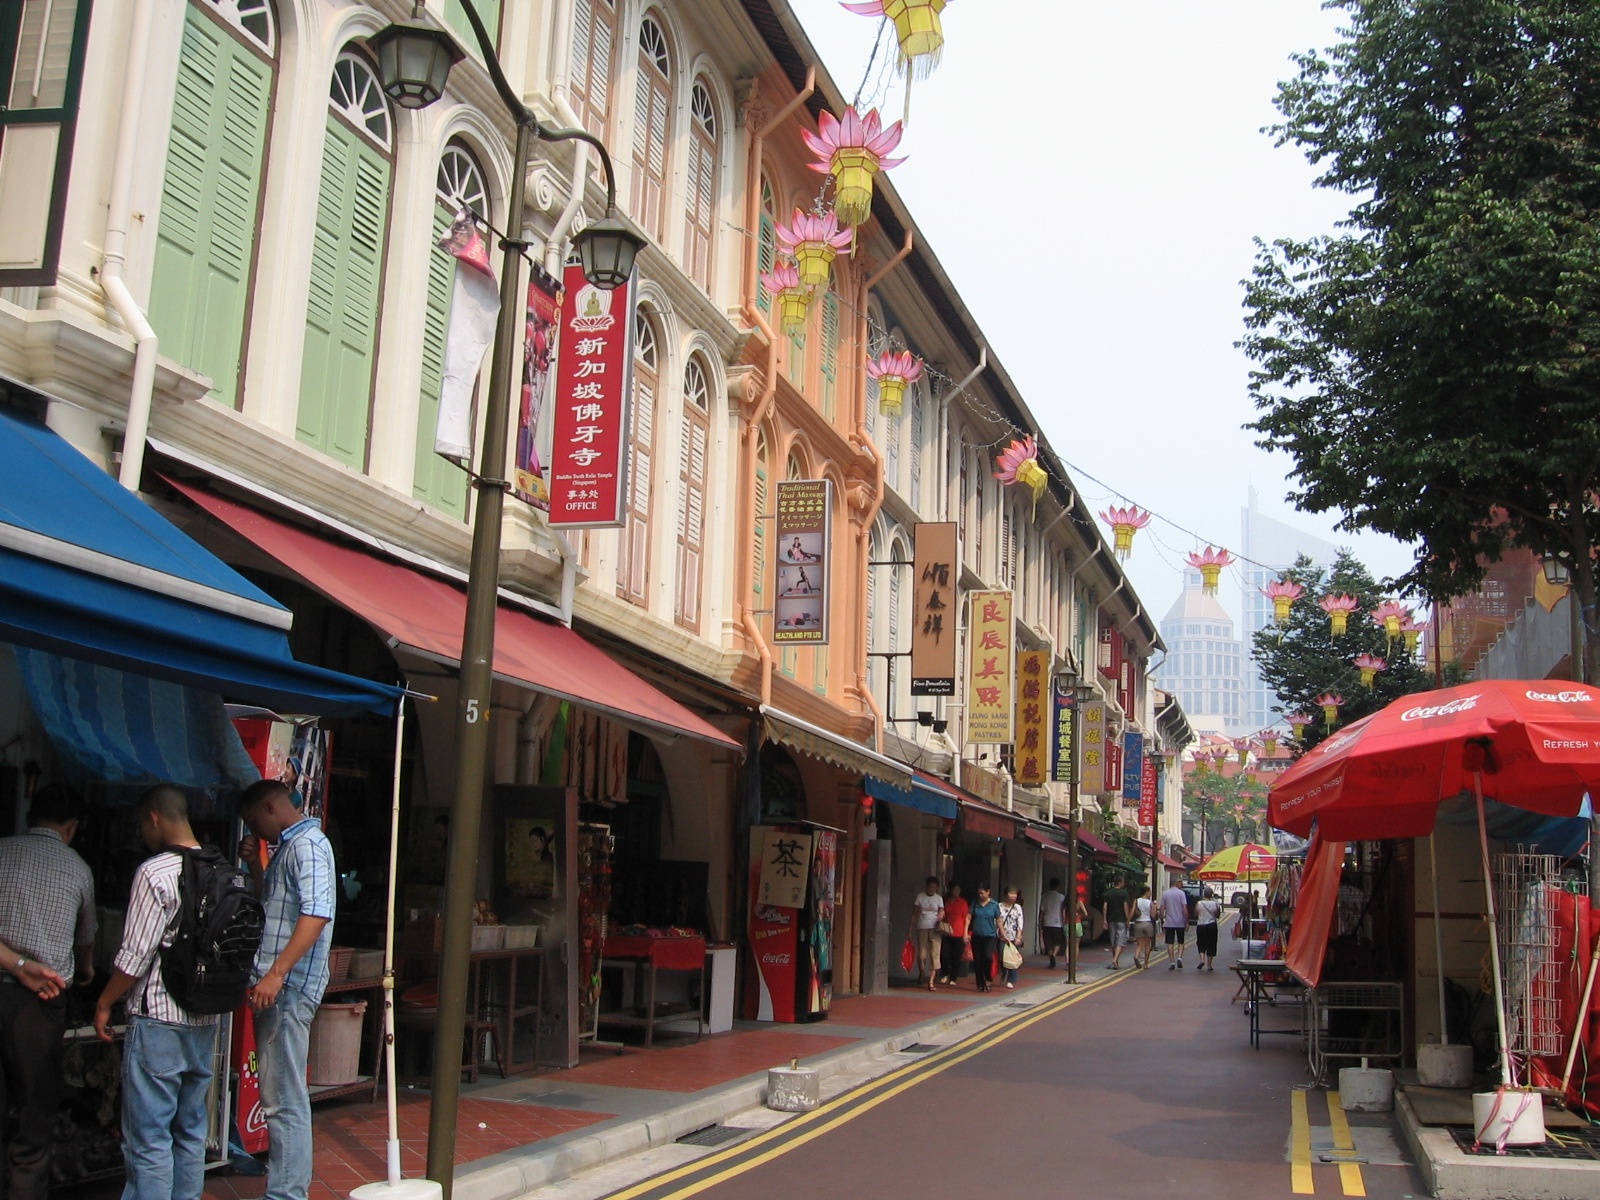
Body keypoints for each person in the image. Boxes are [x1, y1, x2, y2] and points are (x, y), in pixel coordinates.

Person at [93, 785, 217, 1200]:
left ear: (154, 819)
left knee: (149, 1141)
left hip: (159, 1022)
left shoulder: (155, 872)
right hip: (204, 1022)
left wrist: (105, 1001)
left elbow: (134, 957)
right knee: (190, 1133)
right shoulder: (222, 869)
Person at [239, 779, 336, 1200]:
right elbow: (279, 908)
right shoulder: (288, 849)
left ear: (269, 807)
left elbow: (316, 915)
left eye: (253, 820)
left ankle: (286, 1194)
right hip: (283, 986)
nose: (254, 829)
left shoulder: (306, 845)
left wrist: (275, 974)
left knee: (283, 1100)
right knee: (280, 1095)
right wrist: (257, 869)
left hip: (288, 989)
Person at [0, 783, 95, 1200]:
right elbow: (87, 940)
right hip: (43, 1004)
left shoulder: (1, 850)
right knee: (34, 1118)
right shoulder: (78, 869)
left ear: (28, 816)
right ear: (71, 827)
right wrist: (88, 970)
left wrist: (16, 964)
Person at [909, 876, 944, 991]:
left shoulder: (939, 898)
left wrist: (941, 915)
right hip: (922, 927)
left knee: (935, 954)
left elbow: (942, 911)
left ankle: (931, 981)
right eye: (930, 887)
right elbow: (915, 914)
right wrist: (910, 929)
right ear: (926, 887)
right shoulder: (920, 897)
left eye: (934, 887)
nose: (932, 889)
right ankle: (922, 972)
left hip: (935, 928)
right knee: (921, 955)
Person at [967, 884, 1001, 993]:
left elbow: (999, 920)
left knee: (988, 957)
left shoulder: (994, 905)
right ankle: (980, 983)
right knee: (978, 960)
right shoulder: (975, 903)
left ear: (988, 892)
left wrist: (1003, 933)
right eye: (979, 893)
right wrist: (965, 932)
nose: (980, 895)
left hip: (990, 936)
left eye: (982, 893)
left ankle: (988, 979)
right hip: (977, 935)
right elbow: (969, 917)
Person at [938, 883, 970, 985]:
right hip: (947, 932)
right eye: (955, 890)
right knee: (944, 954)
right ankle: (945, 972)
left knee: (956, 956)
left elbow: (966, 918)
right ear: (950, 890)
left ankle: (953, 977)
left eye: (958, 890)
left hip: (959, 932)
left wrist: (966, 933)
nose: (957, 892)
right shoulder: (945, 901)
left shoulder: (963, 903)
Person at [998, 887, 1026, 989]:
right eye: (1011, 893)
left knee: (1013, 958)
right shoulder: (999, 906)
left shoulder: (1017, 907)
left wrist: (1019, 936)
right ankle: (1004, 972)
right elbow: (998, 920)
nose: (1014, 895)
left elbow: (1020, 922)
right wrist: (1003, 934)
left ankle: (1011, 980)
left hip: (1014, 937)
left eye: (1015, 893)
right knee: (1002, 957)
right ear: (1006, 894)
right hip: (1001, 936)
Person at [1161, 876, 1190, 970]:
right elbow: (1184, 908)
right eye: (1180, 883)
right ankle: (1179, 958)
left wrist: (1162, 918)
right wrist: (1186, 921)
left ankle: (1172, 962)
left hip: (1169, 922)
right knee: (1181, 941)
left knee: (1170, 942)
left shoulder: (1165, 894)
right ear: (1176, 883)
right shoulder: (1181, 893)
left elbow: (1162, 908)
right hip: (1180, 921)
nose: (1181, 885)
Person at [1103, 873, 1130, 970]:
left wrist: (1104, 919)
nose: (1124, 883)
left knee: (1113, 941)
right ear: (1119, 882)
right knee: (1120, 941)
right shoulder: (1124, 893)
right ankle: (1115, 959)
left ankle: (1115, 962)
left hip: (1111, 919)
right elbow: (1125, 906)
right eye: (1123, 881)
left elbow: (1105, 907)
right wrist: (1127, 918)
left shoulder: (1108, 893)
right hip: (1121, 919)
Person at [1038, 878, 1067, 969]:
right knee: (1058, 941)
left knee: (1048, 942)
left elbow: (1042, 911)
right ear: (1058, 886)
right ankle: (1054, 954)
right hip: (1057, 922)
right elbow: (1063, 911)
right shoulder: (1061, 897)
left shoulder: (1044, 897)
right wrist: (1064, 920)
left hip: (1047, 922)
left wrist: (1040, 922)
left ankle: (1051, 954)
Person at [1195, 886, 1224, 971]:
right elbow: (1218, 915)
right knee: (1212, 944)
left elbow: (1195, 914)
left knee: (1201, 943)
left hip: (1201, 925)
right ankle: (1209, 965)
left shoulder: (1199, 903)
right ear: (1211, 895)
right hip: (1211, 925)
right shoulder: (1215, 903)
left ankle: (1202, 960)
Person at [1131, 885, 1156, 969]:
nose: (1151, 894)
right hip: (1147, 923)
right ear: (1146, 892)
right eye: (1150, 892)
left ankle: (1137, 956)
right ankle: (1145, 963)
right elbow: (1153, 915)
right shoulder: (1150, 902)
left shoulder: (1136, 901)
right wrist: (1155, 907)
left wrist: (1128, 921)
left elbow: (1132, 911)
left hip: (1138, 923)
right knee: (1147, 945)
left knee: (1139, 944)